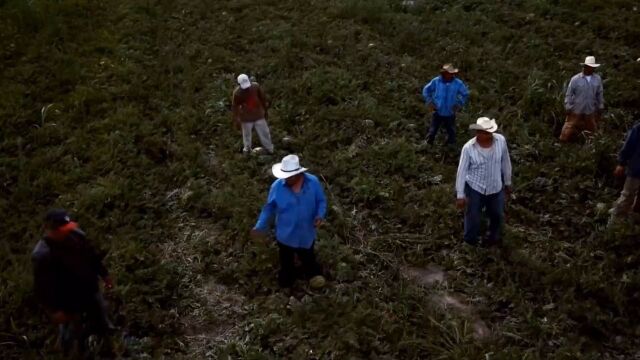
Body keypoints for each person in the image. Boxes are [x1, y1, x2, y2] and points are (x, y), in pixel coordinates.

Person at [32, 209, 114, 356]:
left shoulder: (76, 235)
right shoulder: (43, 255)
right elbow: (42, 288)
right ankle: (71, 351)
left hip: (90, 289)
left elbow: (92, 256)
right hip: (68, 302)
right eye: (64, 229)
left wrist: (105, 275)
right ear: (51, 230)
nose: (69, 231)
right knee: (71, 334)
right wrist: (54, 311)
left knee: (100, 316)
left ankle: (106, 339)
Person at [251, 155, 327, 289]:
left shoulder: (313, 182)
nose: (285, 179)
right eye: (284, 176)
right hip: (285, 235)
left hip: (306, 234)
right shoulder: (277, 187)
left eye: (289, 177)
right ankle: (288, 280)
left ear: (298, 174)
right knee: (286, 261)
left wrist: (319, 215)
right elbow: (269, 208)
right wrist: (260, 226)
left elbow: (321, 201)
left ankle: (311, 274)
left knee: (308, 256)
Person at [455, 117, 512, 246]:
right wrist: (460, 195)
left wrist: (508, 182)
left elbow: (505, 162)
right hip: (475, 187)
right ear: (477, 133)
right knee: (473, 215)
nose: (486, 135)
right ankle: (470, 241)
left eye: (488, 132)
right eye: (483, 132)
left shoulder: (500, 141)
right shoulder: (468, 148)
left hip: (495, 187)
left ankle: (492, 238)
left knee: (496, 214)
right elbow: (462, 171)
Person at [422, 63, 470, 146]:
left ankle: (451, 145)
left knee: (451, 130)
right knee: (433, 129)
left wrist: (459, 103)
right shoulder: (436, 81)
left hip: (450, 112)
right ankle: (428, 144)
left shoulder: (458, 83)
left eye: (451, 74)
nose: (449, 75)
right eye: (447, 73)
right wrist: (430, 102)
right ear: (443, 73)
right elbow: (426, 90)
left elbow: (465, 94)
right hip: (437, 110)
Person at [560, 56, 605, 142]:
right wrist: (568, 106)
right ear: (585, 67)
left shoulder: (597, 79)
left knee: (592, 129)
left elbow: (600, 93)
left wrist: (600, 105)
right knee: (569, 127)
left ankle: (590, 145)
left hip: (590, 109)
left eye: (593, 67)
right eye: (590, 67)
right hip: (576, 108)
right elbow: (569, 94)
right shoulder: (575, 79)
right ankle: (562, 142)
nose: (592, 69)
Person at [232, 73, 274, 154]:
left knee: (265, 133)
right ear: (239, 84)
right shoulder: (237, 93)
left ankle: (269, 149)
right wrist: (237, 119)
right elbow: (235, 106)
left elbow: (262, 98)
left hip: (258, 115)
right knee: (247, 136)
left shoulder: (255, 87)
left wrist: (265, 110)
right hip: (246, 118)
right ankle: (247, 151)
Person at [609, 122, 640, 225]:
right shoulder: (638, 128)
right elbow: (629, 146)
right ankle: (615, 221)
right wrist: (621, 163)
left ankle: (631, 218)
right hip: (636, 169)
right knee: (627, 195)